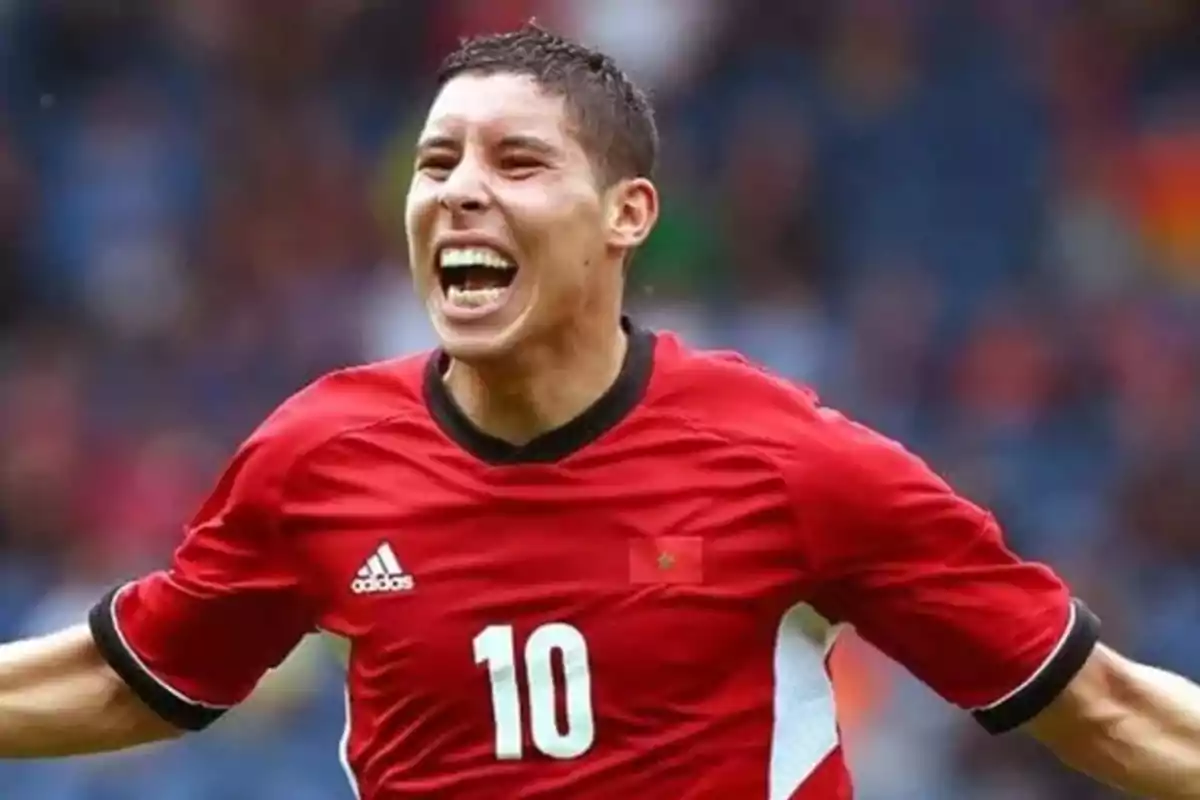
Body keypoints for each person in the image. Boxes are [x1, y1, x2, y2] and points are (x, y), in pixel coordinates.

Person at [1, 23, 1199, 800]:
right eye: (436, 163)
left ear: (628, 215)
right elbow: (135, 676)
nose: (462, 190)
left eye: (517, 164)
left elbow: (1103, 703)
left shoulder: (794, 463)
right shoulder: (315, 457)